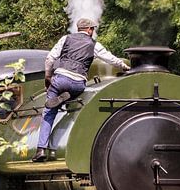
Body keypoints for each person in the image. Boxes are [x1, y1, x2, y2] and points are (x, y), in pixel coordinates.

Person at [33, 18, 129, 162]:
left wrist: (48, 77)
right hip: (78, 83)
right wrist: (125, 67)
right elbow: (110, 59)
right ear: (89, 29)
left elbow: (50, 58)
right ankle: (68, 97)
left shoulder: (65, 39)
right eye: (93, 29)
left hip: (60, 80)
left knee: (49, 112)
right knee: (74, 101)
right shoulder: (94, 44)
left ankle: (41, 149)